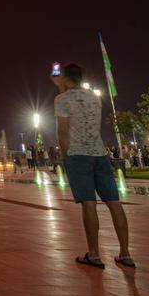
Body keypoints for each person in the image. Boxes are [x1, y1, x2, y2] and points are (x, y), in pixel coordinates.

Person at [52, 63, 133, 269]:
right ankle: (125, 254)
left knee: (89, 203)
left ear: (64, 77)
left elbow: (63, 130)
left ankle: (94, 254)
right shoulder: (94, 97)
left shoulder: (61, 99)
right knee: (114, 203)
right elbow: (77, 100)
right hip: (100, 154)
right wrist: (63, 86)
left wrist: (64, 155)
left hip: (78, 156)